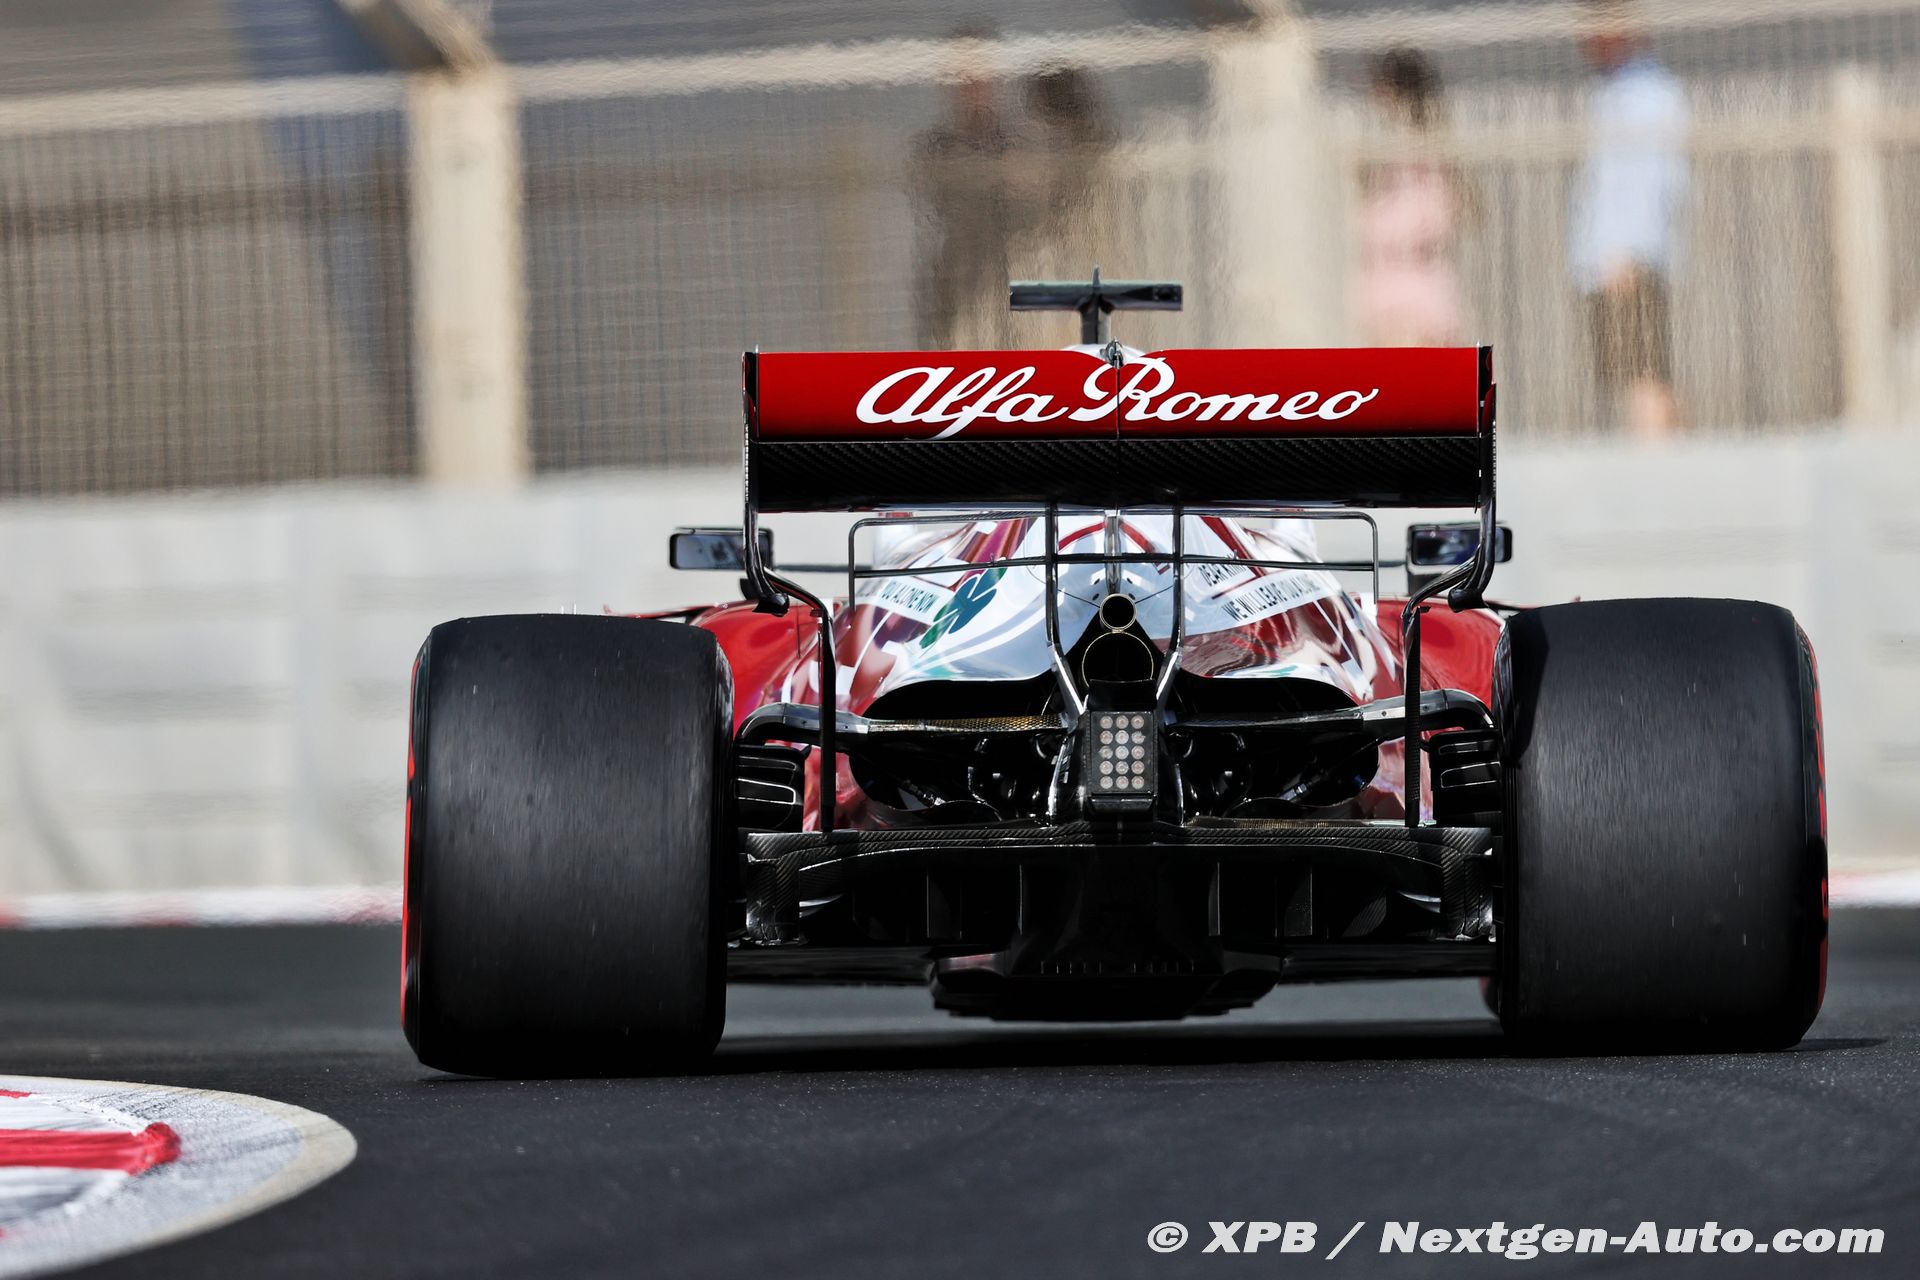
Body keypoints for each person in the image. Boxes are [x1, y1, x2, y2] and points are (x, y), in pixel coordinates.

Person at [1569, 0, 1688, 435]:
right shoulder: (1611, 89)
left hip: (1629, 257)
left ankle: (1658, 463)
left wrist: (1627, 252)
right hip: (1610, 256)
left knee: (1645, 370)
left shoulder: (1646, 91)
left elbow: (1654, 179)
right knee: (1634, 371)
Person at [1350, 48, 1467, 348]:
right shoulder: (1388, 147)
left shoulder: (1422, 150)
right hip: (1390, 287)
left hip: (1411, 291)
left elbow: (1435, 216)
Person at [911, 24, 1017, 351]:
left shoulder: (1019, 148)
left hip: (1012, 276)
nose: (971, 87)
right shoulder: (934, 149)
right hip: (957, 276)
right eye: (962, 77)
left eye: (979, 76)